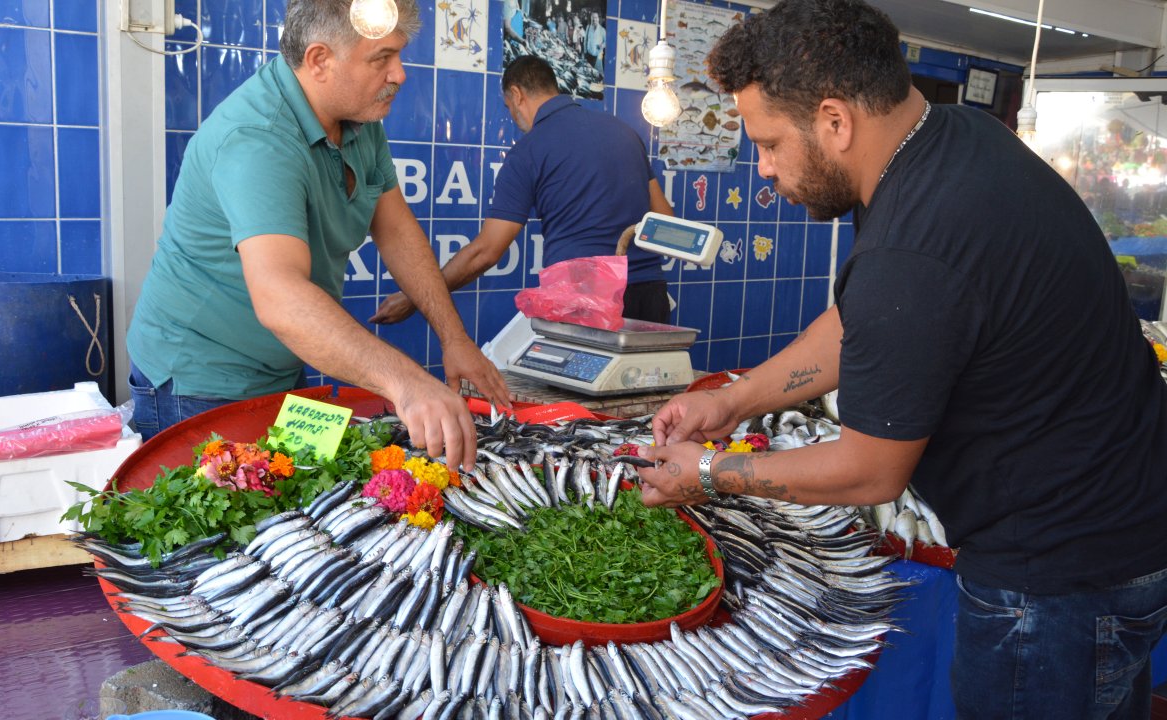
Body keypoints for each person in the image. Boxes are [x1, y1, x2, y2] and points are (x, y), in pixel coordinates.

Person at [634, 1, 1167, 717]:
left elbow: (869, 470)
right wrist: (731, 401)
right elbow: (863, 321)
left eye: (767, 143)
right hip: (1129, 531)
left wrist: (708, 472)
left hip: (1054, 581)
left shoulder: (913, 244)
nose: (763, 170)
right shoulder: (956, 137)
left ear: (834, 121)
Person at [125, 0, 511, 470]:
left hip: (282, 366)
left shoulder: (360, 117)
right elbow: (280, 296)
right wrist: (407, 383)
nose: (400, 74)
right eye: (381, 59)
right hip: (198, 380)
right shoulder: (257, 138)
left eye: (399, 56)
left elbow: (397, 231)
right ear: (319, 60)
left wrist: (454, 339)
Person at [371, 55, 674, 326]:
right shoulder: (626, 134)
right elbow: (665, 220)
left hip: (584, 303)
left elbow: (485, 252)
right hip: (650, 295)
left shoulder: (529, 150)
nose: (513, 118)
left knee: (580, 389)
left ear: (516, 95)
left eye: (508, 107)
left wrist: (416, 297)